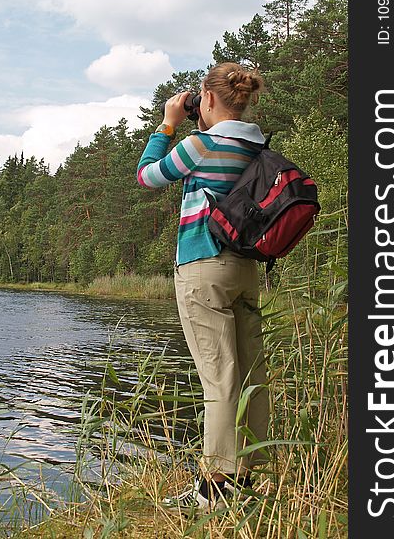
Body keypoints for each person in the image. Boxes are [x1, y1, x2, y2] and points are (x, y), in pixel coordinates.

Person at [136, 62, 270, 512]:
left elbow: (148, 176)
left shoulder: (199, 143)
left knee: (219, 379)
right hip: (246, 269)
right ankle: (246, 479)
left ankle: (213, 491)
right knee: (251, 375)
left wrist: (169, 123)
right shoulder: (257, 145)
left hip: (202, 266)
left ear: (208, 99)